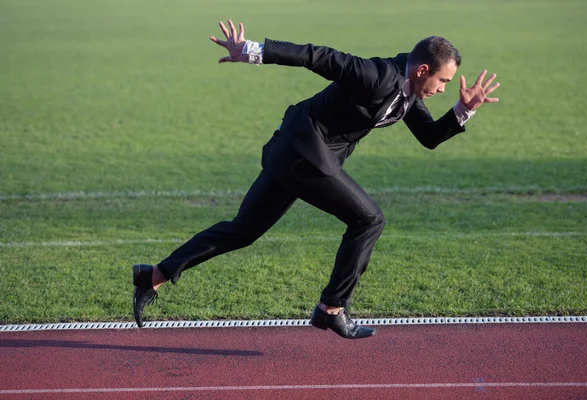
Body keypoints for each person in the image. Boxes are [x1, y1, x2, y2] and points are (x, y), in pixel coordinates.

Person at [132, 19, 500, 339]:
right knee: (369, 219)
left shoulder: (407, 97)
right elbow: (317, 56)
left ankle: (153, 276)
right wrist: (252, 51)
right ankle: (332, 308)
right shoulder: (377, 75)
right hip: (304, 154)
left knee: (243, 230)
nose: (443, 88)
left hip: (291, 152)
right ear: (422, 70)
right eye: (443, 81)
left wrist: (462, 110)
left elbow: (430, 137)